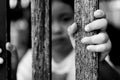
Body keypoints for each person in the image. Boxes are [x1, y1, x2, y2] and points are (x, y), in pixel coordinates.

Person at [0, 0, 120, 80]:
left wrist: (99, 62)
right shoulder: (30, 58)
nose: (56, 29)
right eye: (48, 21)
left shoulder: (90, 50)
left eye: (65, 18)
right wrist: (10, 73)